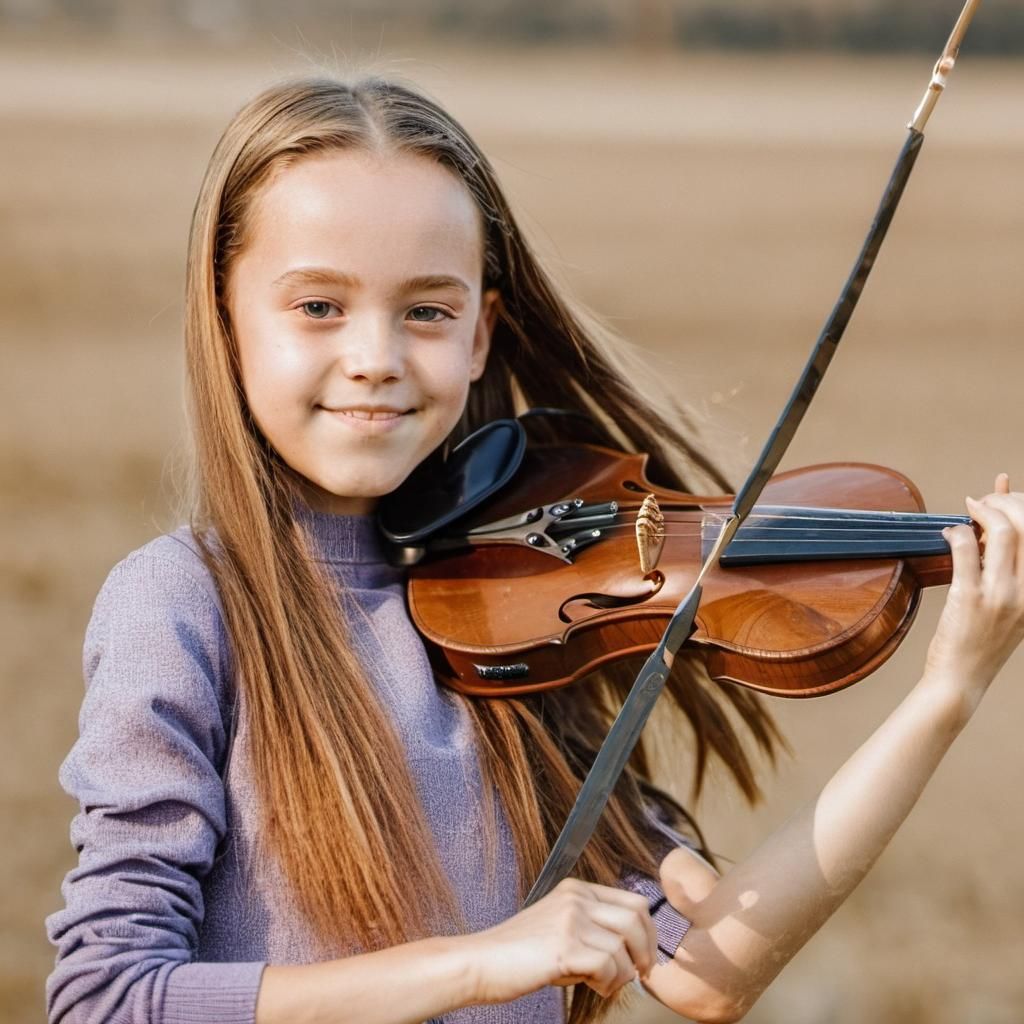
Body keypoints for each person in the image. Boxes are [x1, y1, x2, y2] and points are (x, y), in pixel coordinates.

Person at [44, 76, 1024, 1024]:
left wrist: (947, 693)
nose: (375, 355)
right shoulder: (181, 605)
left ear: (480, 336)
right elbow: (107, 997)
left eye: (427, 309)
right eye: (318, 306)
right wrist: (475, 963)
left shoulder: (523, 592)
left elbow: (711, 970)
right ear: (222, 316)